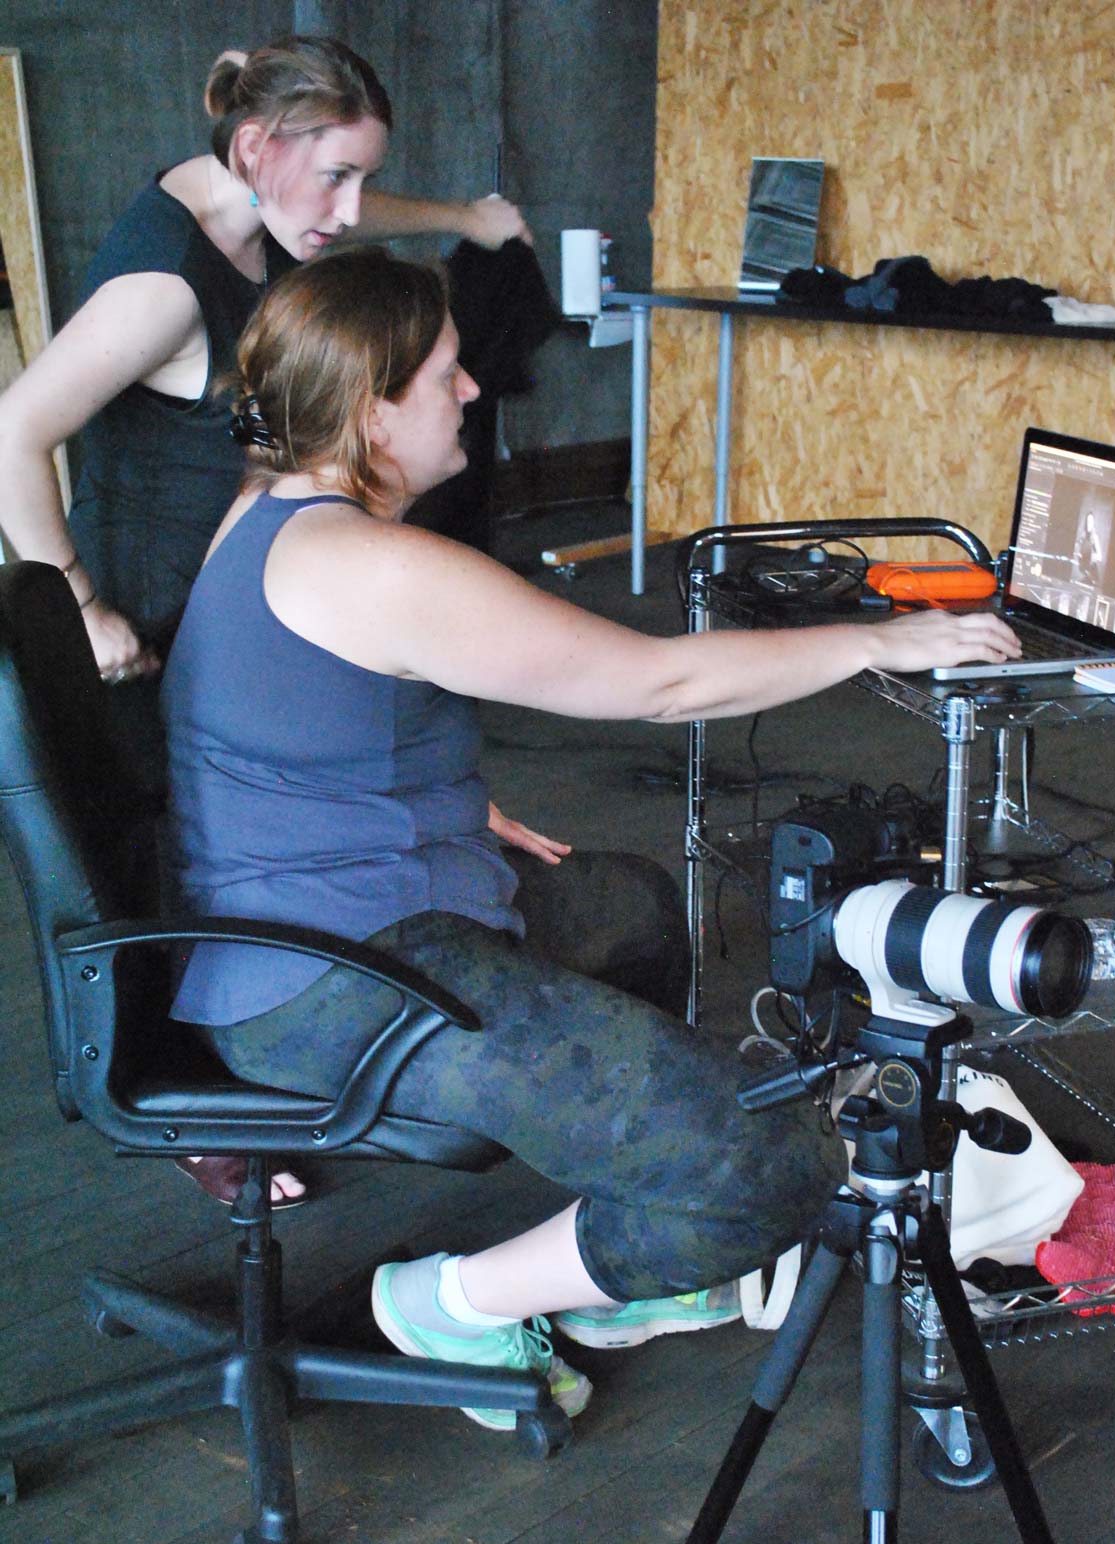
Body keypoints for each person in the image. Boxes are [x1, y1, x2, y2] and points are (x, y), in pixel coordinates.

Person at [158, 246, 1023, 1431]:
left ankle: (623, 1235)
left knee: (625, 901)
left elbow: (269, 724)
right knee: (770, 1160)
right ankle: (449, 1301)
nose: (471, 390)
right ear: (372, 409)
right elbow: (659, 682)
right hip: (338, 983)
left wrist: (444, 803)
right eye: (448, 373)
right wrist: (876, 638)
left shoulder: (266, 511)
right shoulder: (367, 561)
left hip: (317, 922)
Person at [0, 35, 529, 1208]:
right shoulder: (163, 285)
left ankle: (257, 1055)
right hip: (142, 618)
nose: (347, 211)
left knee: (233, 850)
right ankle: (199, 1115)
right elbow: (10, 431)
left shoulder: (267, 204)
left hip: (229, 597)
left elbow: (355, 200)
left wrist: (465, 215)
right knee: (167, 872)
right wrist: (77, 602)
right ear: (255, 149)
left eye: (361, 179)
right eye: (331, 178)